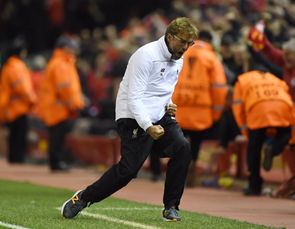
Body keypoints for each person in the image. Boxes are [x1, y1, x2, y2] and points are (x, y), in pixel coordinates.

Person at [61, 17, 198, 221]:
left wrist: (168, 103)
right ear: (170, 36)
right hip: (132, 115)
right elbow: (135, 97)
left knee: (183, 148)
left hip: (160, 115)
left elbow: (164, 87)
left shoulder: (179, 56)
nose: (186, 47)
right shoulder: (145, 55)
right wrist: (147, 126)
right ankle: (82, 198)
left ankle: (171, 207)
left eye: (190, 43)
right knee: (128, 171)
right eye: (183, 41)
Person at [172, 30, 228, 187]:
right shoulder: (212, 58)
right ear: (210, 41)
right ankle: (191, 173)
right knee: (195, 143)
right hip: (201, 111)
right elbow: (219, 88)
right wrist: (216, 113)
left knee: (179, 141)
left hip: (179, 109)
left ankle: (176, 174)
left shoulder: (181, 54)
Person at [232, 70, 295, 196]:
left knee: (254, 150)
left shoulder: (242, 81)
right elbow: (291, 106)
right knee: (285, 134)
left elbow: (238, 108)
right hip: (282, 107)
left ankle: (254, 186)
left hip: (258, 110)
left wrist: (246, 132)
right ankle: (273, 148)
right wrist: (294, 139)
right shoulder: (276, 79)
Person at [37, 35, 85, 171]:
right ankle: (57, 163)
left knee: (56, 136)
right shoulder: (61, 64)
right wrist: (75, 105)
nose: (74, 50)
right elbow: (64, 88)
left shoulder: (57, 62)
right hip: (59, 107)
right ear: (65, 48)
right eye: (71, 47)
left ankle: (56, 162)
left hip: (55, 106)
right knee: (57, 136)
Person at [0, 37, 37, 163]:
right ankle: (17, 162)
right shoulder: (17, 66)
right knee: (19, 138)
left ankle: (13, 161)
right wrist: (32, 100)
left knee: (13, 138)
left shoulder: (7, 66)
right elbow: (23, 87)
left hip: (9, 108)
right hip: (19, 108)